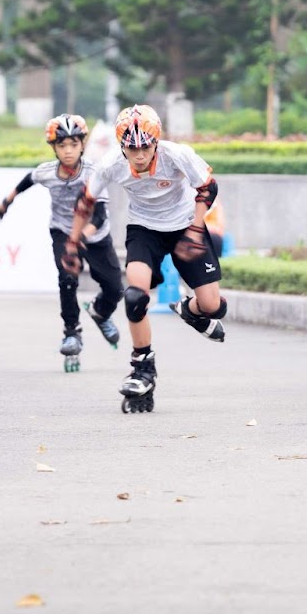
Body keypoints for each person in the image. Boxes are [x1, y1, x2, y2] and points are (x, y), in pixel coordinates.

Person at [64, 104, 225, 413]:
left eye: (145, 147)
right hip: (144, 229)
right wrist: (72, 244)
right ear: (121, 146)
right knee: (135, 297)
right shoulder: (110, 163)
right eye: (131, 148)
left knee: (214, 306)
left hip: (185, 226)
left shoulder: (177, 155)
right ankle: (142, 367)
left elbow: (207, 187)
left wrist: (195, 227)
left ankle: (190, 311)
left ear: (156, 142)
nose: (139, 155)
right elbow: (86, 201)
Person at [0, 114, 124, 371]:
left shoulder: (94, 173)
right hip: (62, 230)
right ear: (53, 147)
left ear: (83, 145)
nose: (68, 151)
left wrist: (81, 239)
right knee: (67, 278)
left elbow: (99, 215)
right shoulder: (47, 172)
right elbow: (28, 180)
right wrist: (5, 202)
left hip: (95, 235)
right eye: (62, 146)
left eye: (73, 145)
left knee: (114, 288)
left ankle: (100, 311)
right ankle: (71, 332)